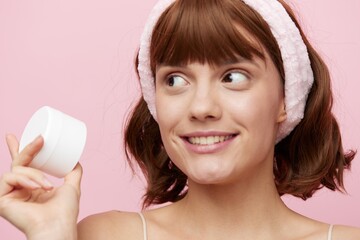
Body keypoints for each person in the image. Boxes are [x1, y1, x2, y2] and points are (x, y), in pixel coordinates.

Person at [1, 0, 359, 239]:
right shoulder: (105, 236)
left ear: (287, 98)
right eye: (175, 80)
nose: (200, 106)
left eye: (233, 76)